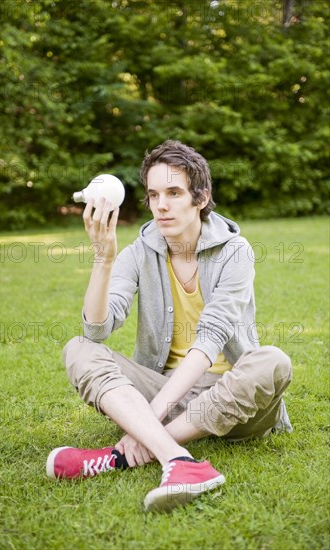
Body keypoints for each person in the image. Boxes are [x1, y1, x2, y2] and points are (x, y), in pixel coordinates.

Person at [46, 140, 293, 512]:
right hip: (163, 385)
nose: (161, 205)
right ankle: (177, 459)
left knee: (272, 361)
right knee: (79, 348)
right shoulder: (138, 253)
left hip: (232, 398)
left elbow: (211, 338)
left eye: (174, 193)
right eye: (153, 194)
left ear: (201, 197)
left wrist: (155, 412)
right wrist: (103, 258)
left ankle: (123, 455)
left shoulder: (235, 251)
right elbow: (98, 330)